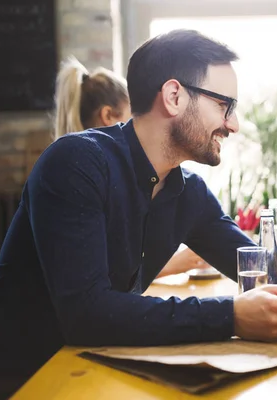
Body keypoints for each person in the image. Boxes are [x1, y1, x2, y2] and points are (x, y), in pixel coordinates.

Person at [0, 30, 277, 399]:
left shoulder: (187, 193)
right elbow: (87, 314)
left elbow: (273, 272)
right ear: (174, 96)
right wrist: (232, 315)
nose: (233, 124)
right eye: (225, 105)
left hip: (90, 373)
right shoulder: (76, 163)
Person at [53, 56, 208, 278]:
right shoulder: (78, 176)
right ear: (108, 116)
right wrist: (171, 264)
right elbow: (99, 278)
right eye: (134, 113)